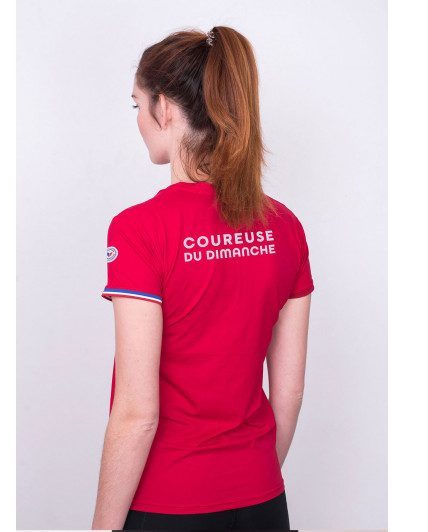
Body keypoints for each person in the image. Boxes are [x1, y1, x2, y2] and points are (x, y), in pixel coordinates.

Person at [91, 26, 314, 531]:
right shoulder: (284, 226)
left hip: (168, 503)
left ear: (165, 108)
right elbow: (290, 392)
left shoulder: (139, 230)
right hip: (262, 500)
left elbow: (137, 413)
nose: (139, 120)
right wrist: (250, 480)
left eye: (137, 105)